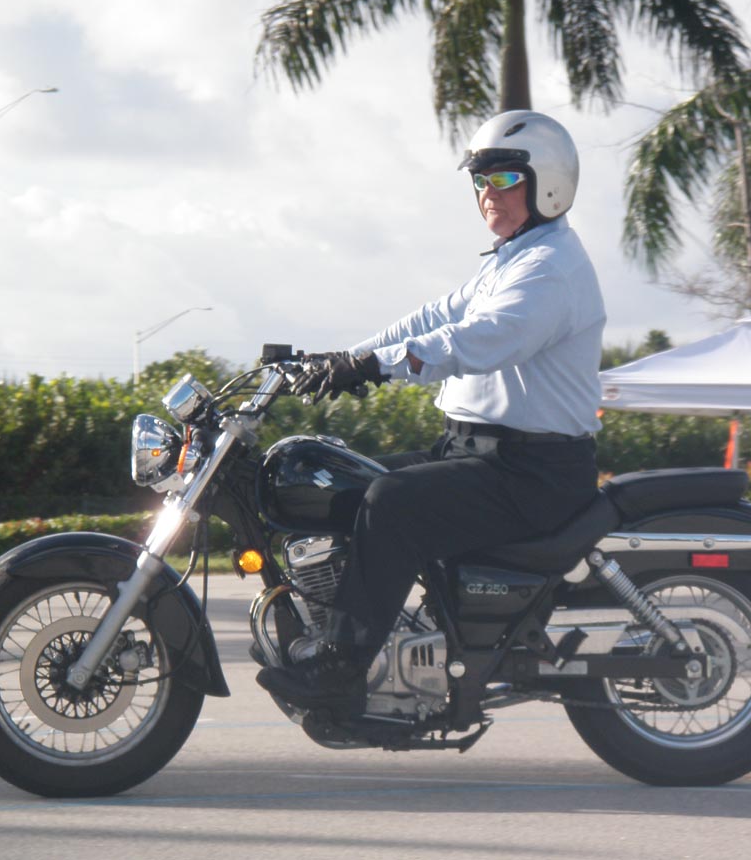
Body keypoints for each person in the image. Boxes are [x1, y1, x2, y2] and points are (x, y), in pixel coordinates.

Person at [257, 110, 607, 715]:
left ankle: (341, 668)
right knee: (346, 482)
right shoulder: (512, 259)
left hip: (532, 472)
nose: (487, 193)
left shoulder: (550, 270)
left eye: (504, 179)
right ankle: (363, 633)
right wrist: (342, 358)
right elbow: (431, 318)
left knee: (390, 503)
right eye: (480, 180)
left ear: (547, 185)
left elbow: (478, 340)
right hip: (477, 453)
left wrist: (374, 367)